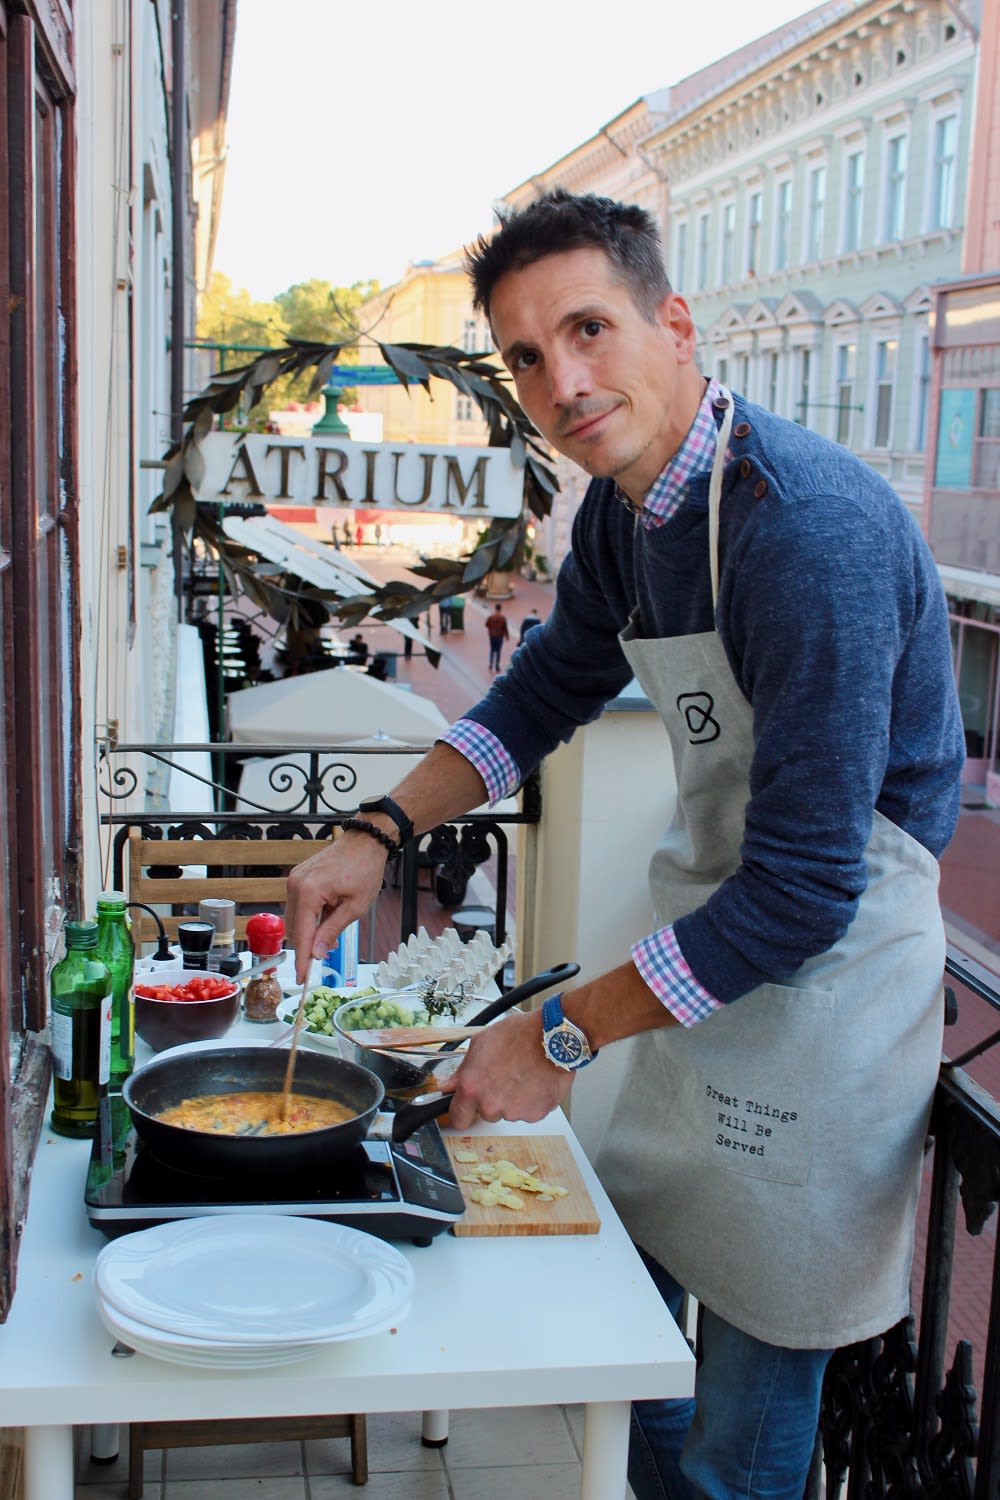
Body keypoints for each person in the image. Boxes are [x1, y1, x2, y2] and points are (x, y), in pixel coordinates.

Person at [287, 190, 964, 1500]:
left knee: (736, 1447)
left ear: (676, 323)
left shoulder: (803, 534)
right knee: (633, 1353)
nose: (565, 382)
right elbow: (542, 697)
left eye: (589, 330)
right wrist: (376, 830)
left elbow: (811, 891)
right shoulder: (622, 516)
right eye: (529, 358)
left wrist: (551, 1035)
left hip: (830, 991)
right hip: (707, 962)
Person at [485, 603, 510, 672]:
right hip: (499, 636)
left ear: (495, 608)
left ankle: (490, 663)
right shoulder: (502, 617)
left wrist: (491, 629)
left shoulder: (491, 617)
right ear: (500, 609)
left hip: (492, 636)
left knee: (492, 650)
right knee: (498, 651)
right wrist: (507, 636)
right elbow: (505, 628)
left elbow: (486, 624)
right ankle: (497, 666)